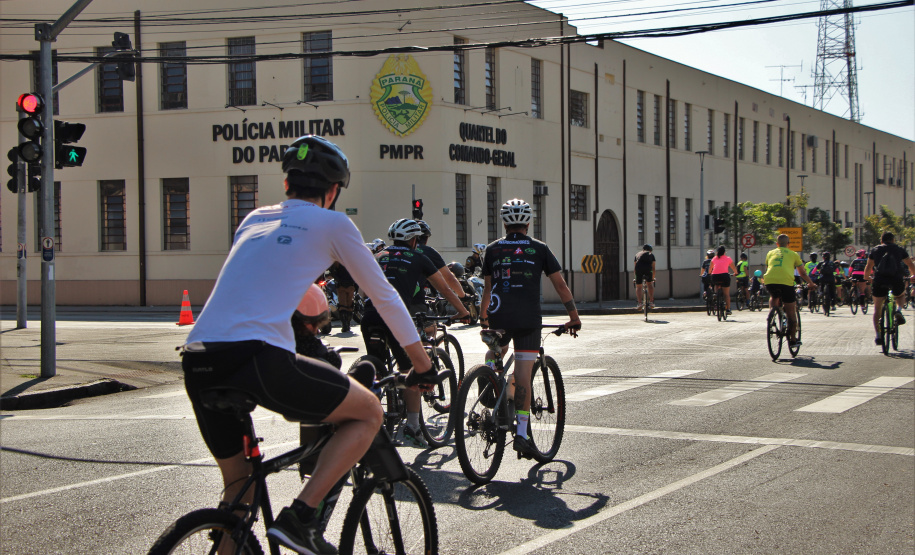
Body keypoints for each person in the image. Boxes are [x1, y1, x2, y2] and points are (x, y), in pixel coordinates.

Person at [180, 135, 438, 555]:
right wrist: (422, 364)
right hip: (257, 357)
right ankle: (302, 519)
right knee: (369, 411)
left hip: (199, 357)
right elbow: (385, 296)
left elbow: (261, 281)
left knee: (239, 487)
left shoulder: (254, 219)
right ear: (333, 191)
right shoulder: (333, 223)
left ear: (286, 185)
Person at [479, 198, 581, 459]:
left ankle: (490, 372)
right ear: (527, 222)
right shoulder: (539, 248)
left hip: (498, 314)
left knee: (496, 349)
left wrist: (483, 316)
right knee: (523, 375)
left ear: (504, 223)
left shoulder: (492, 250)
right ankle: (522, 434)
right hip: (527, 319)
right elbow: (560, 285)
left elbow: (488, 289)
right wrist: (573, 316)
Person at [361, 218, 471, 447]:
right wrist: (463, 311)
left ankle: (369, 412)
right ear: (414, 240)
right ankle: (412, 426)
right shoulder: (420, 256)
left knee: (378, 369)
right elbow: (444, 287)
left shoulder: (379, 255)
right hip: (395, 315)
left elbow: (363, 288)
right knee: (410, 371)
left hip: (369, 315)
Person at [764, 234, 817, 347]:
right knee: (791, 313)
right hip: (786, 283)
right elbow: (802, 273)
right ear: (788, 244)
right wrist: (811, 283)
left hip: (769, 281)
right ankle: (793, 340)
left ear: (777, 244)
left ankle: (772, 315)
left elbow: (769, 266)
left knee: (774, 296)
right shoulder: (793, 254)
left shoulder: (770, 253)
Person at [863, 232, 915, 346]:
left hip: (880, 280)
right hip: (896, 279)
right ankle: (899, 310)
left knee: (877, 308)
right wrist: (913, 275)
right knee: (900, 295)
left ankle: (878, 335)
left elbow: (868, 266)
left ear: (881, 240)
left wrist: (867, 278)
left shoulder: (875, 250)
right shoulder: (899, 249)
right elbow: (910, 264)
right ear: (893, 240)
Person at [414, 219, 468, 307]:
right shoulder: (429, 251)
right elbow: (449, 278)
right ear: (426, 238)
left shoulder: (389, 252)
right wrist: (463, 296)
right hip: (415, 302)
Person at [328, 262, 357, 333]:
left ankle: (345, 325)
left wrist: (338, 280)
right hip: (351, 284)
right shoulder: (351, 260)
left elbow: (332, 271)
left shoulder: (337, 261)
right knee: (349, 305)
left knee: (342, 305)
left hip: (341, 285)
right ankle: (348, 324)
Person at [709, 245, 738, 314]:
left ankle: (716, 297)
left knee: (716, 285)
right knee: (726, 294)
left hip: (715, 276)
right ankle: (728, 309)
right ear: (724, 252)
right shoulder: (728, 258)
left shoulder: (714, 259)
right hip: (724, 276)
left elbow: (710, 268)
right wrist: (736, 273)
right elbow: (733, 268)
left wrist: (709, 273)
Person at [633, 244, 656, 309]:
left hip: (639, 269)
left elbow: (635, 268)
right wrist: (653, 278)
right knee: (649, 284)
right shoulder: (651, 254)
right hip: (648, 269)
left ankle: (639, 303)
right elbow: (653, 268)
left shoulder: (637, 254)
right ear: (650, 250)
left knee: (638, 286)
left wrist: (635, 278)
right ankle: (651, 301)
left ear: (643, 249)